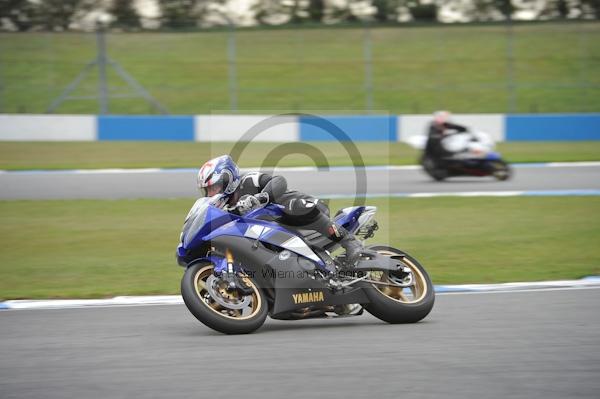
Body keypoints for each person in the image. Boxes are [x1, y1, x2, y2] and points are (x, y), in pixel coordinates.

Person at [197, 155, 363, 268]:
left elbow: (279, 181)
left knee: (289, 206)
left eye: (214, 187)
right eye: (208, 191)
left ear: (228, 179)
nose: (212, 194)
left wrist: (261, 198)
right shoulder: (228, 210)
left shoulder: (248, 181)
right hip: (280, 237)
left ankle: (349, 241)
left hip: (306, 211)